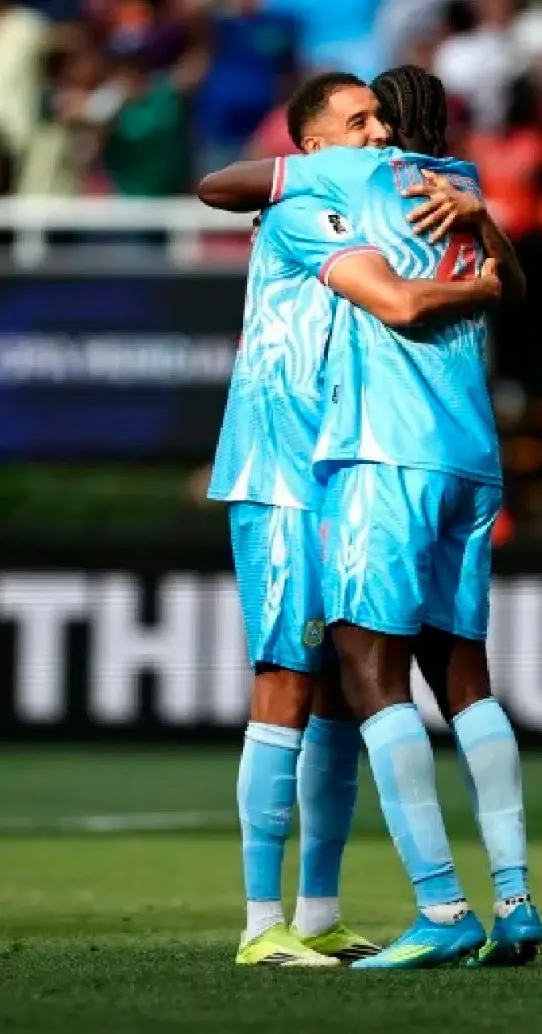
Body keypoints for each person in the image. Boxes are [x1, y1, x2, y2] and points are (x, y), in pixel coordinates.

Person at [203, 65, 540, 969]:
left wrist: (477, 229)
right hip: (283, 464)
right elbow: (226, 187)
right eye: (358, 122)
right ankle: (259, 919)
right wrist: (476, 281)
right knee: (287, 680)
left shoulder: (405, 199)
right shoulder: (305, 203)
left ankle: (319, 912)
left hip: (355, 464)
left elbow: (487, 273)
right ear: (313, 143)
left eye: (382, 120)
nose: (377, 135)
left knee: (347, 699)